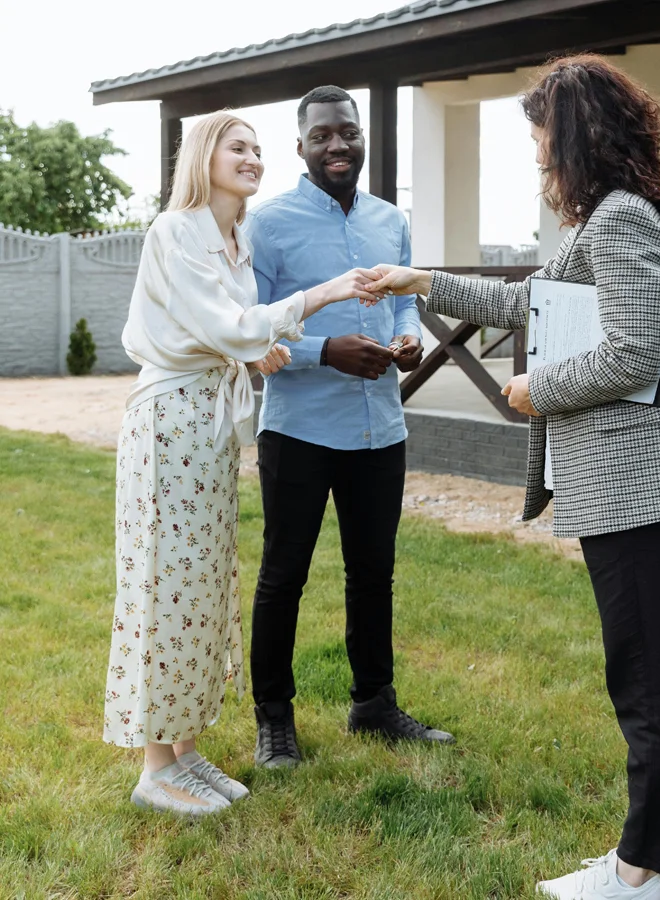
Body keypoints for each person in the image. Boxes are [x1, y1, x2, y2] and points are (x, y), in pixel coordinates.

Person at [366, 56, 660, 900]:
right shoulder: (604, 220)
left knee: (649, 678)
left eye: (542, 141)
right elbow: (535, 300)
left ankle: (640, 871)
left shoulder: (618, 222)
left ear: (577, 136)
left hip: (634, 478)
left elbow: (637, 352)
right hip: (640, 480)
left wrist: (538, 389)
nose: (539, 158)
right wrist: (425, 280)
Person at [103, 110, 383, 816]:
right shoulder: (176, 230)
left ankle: (184, 751)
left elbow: (226, 331)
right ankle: (152, 768)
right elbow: (226, 325)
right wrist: (321, 294)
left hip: (210, 427)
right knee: (167, 587)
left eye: (259, 150)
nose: (254, 158)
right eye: (239, 147)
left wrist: (253, 349)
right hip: (170, 424)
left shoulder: (231, 242)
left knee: (203, 589)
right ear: (205, 156)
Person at [245, 85, 454, 769]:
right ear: (300, 146)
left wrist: (407, 337)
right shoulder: (266, 225)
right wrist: (323, 350)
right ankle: (274, 719)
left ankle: (374, 703)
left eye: (348, 133)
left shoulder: (391, 221)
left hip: (378, 432)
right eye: (322, 135)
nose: (337, 145)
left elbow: (400, 304)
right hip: (299, 429)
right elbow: (253, 329)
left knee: (374, 574)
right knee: (284, 576)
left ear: (363, 137)